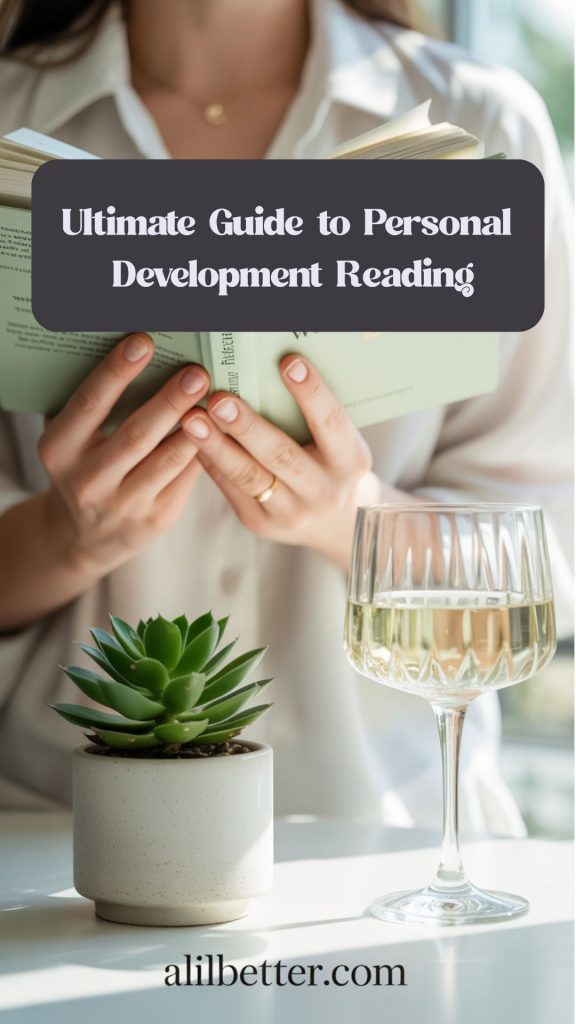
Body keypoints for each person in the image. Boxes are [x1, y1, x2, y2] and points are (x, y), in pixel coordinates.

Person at [0, 0, 571, 828]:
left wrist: (350, 518)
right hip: (50, 829)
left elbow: (547, 558)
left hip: (386, 832)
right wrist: (66, 534)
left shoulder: (481, 126)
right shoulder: (13, 122)